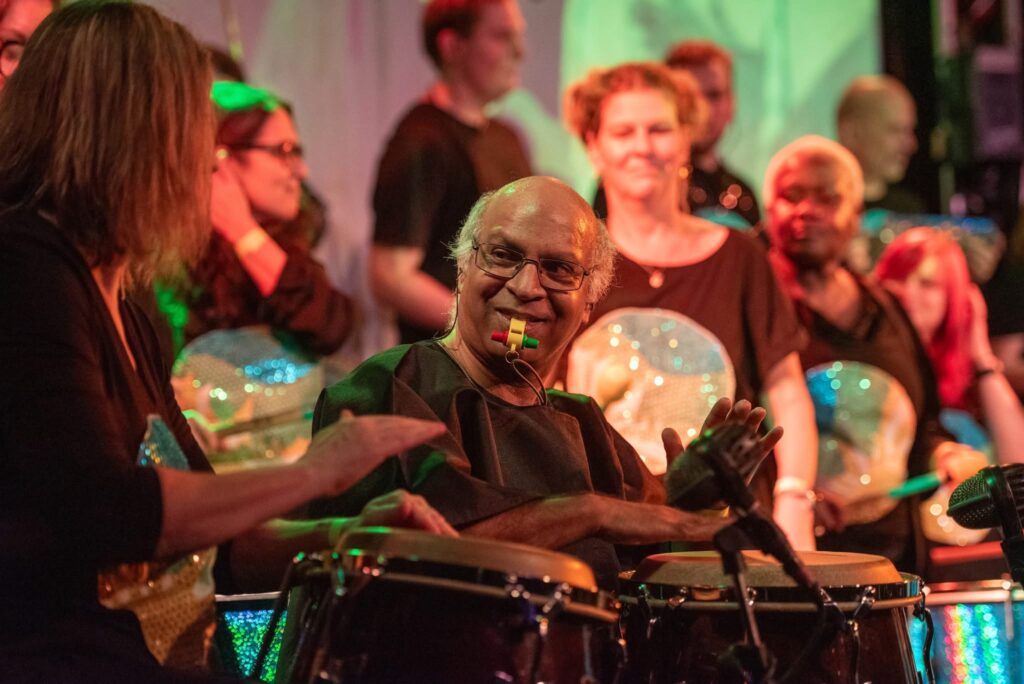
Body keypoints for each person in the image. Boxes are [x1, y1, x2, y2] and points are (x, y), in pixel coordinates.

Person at [0, 4, 452, 681]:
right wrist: (312, 473)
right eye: (199, 139)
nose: (209, 168)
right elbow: (112, 512)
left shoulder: (126, 301)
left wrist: (346, 537)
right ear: (129, 134)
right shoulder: (27, 266)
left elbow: (216, 539)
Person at [311, 176, 779, 588]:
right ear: (461, 269)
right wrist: (590, 511)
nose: (526, 286)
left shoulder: (584, 423)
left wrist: (696, 505)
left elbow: (660, 590)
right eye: (503, 255)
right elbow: (413, 558)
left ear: (588, 306)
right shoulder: (394, 384)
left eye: (559, 269)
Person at [563, 62, 818, 550]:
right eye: (623, 131)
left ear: (685, 140)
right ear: (594, 146)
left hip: (725, 530)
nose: (642, 146)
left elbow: (787, 391)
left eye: (659, 129)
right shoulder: (569, 262)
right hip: (611, 533)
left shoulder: (741, 256)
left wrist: (793, 501)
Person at [763, 135, 985, 573]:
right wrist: (795, 493)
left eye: (826, 197)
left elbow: (920, 430)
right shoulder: (755, 306)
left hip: (890, 564)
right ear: (770, 211)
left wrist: (944, 455)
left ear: (855, 214)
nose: (806, 210)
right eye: (792, 195)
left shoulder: (886, 310)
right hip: (788, 564)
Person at [370, 0, 532, 344]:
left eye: (518, 36)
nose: (520, 52)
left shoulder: (507, 137)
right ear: (452, 46)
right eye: (502, 36)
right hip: (443, 369)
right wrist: (488, 327)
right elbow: (390, 276)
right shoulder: (422, 142)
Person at [169, 81, 355, 358]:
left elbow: (329, 325)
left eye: (298, 153)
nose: (302, 172)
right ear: (222, 157)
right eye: (283, 151)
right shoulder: (170, 256)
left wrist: (243, 230)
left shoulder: (281, 239)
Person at [875, 227, 1024, 461]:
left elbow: (1017, 461)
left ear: (953, 300)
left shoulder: (964, 386)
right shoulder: (868, 361)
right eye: (898, 277)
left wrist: (981, 355)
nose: (907, 292)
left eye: (927, 283)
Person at [665, 39, 760, 229]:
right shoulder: (640, 187)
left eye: (714, 95)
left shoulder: (743, 195)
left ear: (731, 104)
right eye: (690, 96)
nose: (703, 109)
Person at [836, 75, 923, 214]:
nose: (911, 145)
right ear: (851, 133)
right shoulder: (817, 216)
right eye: (895, 131)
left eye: (909, 132)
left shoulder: (908, 211)